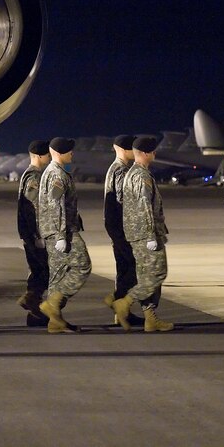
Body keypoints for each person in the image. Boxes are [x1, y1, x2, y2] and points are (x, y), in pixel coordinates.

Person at [112, 136, 173, 332]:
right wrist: (150, 236)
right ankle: (125, 302)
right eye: (153, 151)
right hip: (145, 235)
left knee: (148, 275)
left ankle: (150, 317)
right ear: (146, 153)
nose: (155, 154)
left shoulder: (132, 173)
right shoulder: (141, 176)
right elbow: (144, 206)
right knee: (156, 274)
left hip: (135, 233)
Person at [37, 137, 92, 333]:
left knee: (58, 274)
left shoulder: (53, 172)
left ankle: (55, 321)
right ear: (60, 153)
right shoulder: (57, 175)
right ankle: (53, 303)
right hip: (63, 231)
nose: (72, 154)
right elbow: (56, 205)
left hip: (55, 230)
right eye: (69, 151)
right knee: (83, 265)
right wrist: (61, 235)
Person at [102, 134, 144, 326]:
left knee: (124, 270)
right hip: (124, 228)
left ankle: (122, 313)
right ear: (126, 150)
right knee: (130, 270)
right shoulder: (122, 170)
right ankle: (119, 305)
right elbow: (123, 201)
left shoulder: (116, 168)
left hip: (118, 228)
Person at [16, 140, 51, 326]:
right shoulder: (34, 177)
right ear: (38, 156)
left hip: (31, 233)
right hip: (35, 234)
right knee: (42, 271)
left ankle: (34, 315)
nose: (49, 157)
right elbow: (34, 208)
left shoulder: (33, 175)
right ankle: (31, 300)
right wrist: (38, 235)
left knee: (39, 271)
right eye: (46, 154)